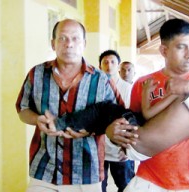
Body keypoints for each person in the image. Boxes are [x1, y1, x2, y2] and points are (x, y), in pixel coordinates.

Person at [105, 18, 189, 192]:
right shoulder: (144, 83)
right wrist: (114, 133)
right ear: (164, 51)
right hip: (151, 179)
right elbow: (136, 125)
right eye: (181, 47)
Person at [51, 69, 189, 166]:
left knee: (103, 109)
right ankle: (83, 129)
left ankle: (60, 123)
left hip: (135, 134)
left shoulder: (185, 97)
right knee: (104, 118)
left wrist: (146, 94)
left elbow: (148, 114)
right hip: (144, 152)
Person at [15, 19, 120, 192]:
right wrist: (37, 119)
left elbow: (116, 116)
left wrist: (94, 129)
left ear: (84, 43)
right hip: (43, 169)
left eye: (75, 38)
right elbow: (22, 108)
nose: (69, 44)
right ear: (53, 44)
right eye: (62, 38)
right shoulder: (37, 74)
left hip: (86, 173)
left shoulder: (102, 80)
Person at [99, 50, 135, 192]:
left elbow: (133, 120)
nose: (109, 65)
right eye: (105, 62)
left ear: (118, 65)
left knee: (125, 186)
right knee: (99, 187)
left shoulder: (127, 89)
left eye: (113, 62)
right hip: (99, 148)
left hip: (121, 149)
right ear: (100, 65)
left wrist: (128, 147)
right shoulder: (95, 87)